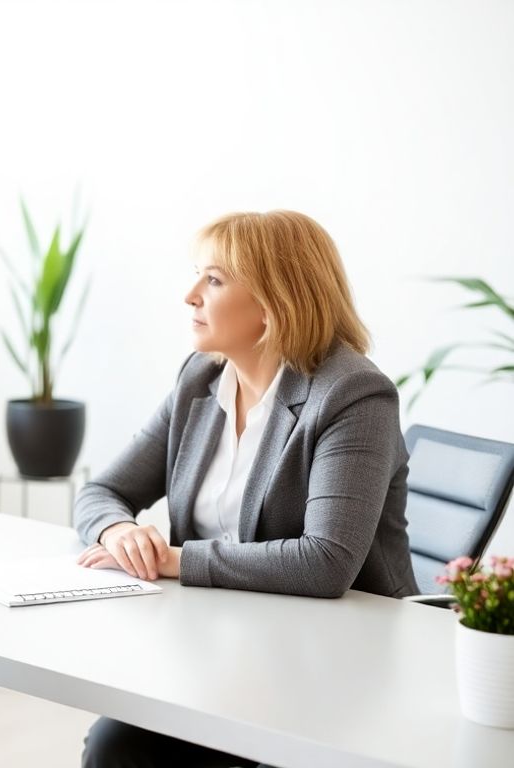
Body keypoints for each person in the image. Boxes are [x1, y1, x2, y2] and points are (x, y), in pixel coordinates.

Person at [72, 210, 418, 767]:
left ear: (274, 302)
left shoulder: (353, 395)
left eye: (213, 280)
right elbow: (103, 490)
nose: (190, 296)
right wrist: (120, 531)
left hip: (338, 667)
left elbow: (325, 562)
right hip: (220, 651)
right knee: (115, 748)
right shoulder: (200, 380)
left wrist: (173, 561)